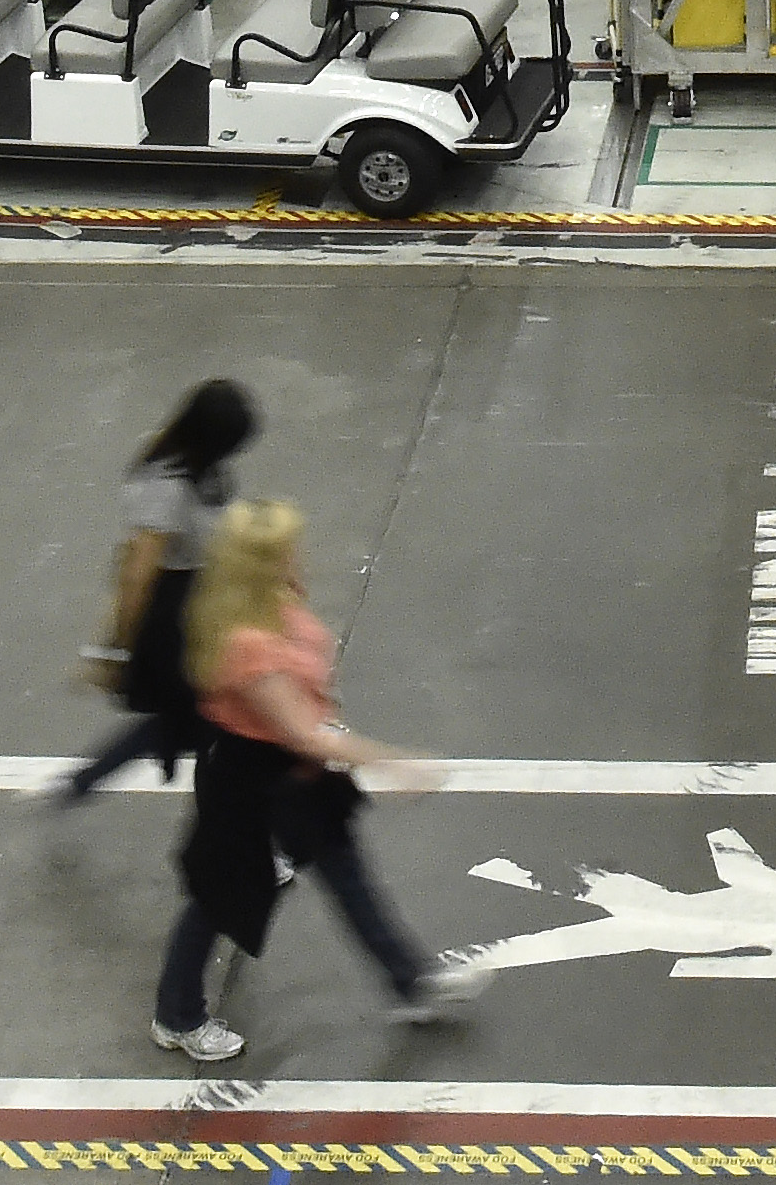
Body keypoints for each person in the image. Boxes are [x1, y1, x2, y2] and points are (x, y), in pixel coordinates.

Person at [148, 499, 488, 1062]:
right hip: (251, 780)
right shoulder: (246, 644)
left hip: (293, 775)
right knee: (218, 898)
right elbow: (302, 735)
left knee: (345, 872)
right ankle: (176, 1015)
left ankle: (410, 981)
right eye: (288, 550)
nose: (300, 556)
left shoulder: (269, 603)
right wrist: (393, 759)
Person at [60, 379, 255, 806]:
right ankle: (230, 836)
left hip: (206, 604)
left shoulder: (199, 465)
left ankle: (85, 781)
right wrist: (120, 650)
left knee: (202, 725)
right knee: (222, 727)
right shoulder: (166, 487)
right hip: (179, 619)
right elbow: (136, 576)